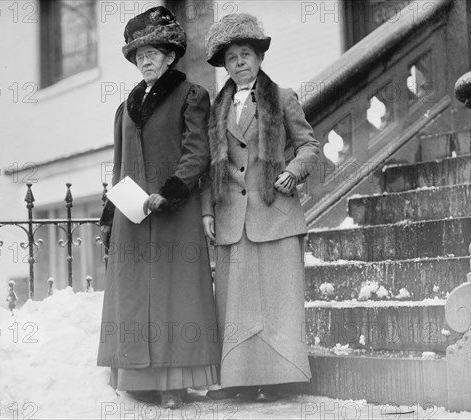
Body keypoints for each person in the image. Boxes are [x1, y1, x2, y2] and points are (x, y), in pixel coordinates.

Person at [97, 6, 220, 409]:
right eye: (139, 54)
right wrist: (110, 215)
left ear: (170, 55)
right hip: (133, 217)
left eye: (153, 51)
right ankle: (138, 380)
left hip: (173, 212)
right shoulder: (125, 108)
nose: (145, 59)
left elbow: (197, 152)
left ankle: (173, 384)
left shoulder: (191, 95)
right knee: (133, 299)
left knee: (173, 298)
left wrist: (169, 191)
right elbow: (119, 167)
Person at [201, 13, 320, 402]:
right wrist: (206, 211)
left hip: (275, 215)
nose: (239, 62)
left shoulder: (282, 97)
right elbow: (208, 167)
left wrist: (292, 172)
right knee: (238, 306)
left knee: (276, 301)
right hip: (232, 218)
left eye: (246, 53)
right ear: (224, 65)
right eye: (232, 56)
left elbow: (308, 146)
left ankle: (278, 379)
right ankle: (240, 381)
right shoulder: (216, 110)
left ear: (259, 58)